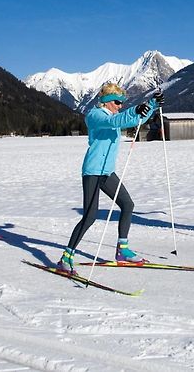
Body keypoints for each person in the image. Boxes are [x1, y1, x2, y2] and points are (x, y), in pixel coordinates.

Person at [58, 83, 164, 274]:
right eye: (117, 102)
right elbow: (117, 121)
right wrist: (136, 108)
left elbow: (134, 120)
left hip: (107, 172)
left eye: (122, 103)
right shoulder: (95, 116)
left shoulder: (112, 115)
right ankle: (66, 256)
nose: (120, 105)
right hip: (93, 172)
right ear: (107, 102)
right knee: (90, 217)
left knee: (127, 204)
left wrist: (152, 105)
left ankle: (122, 250)